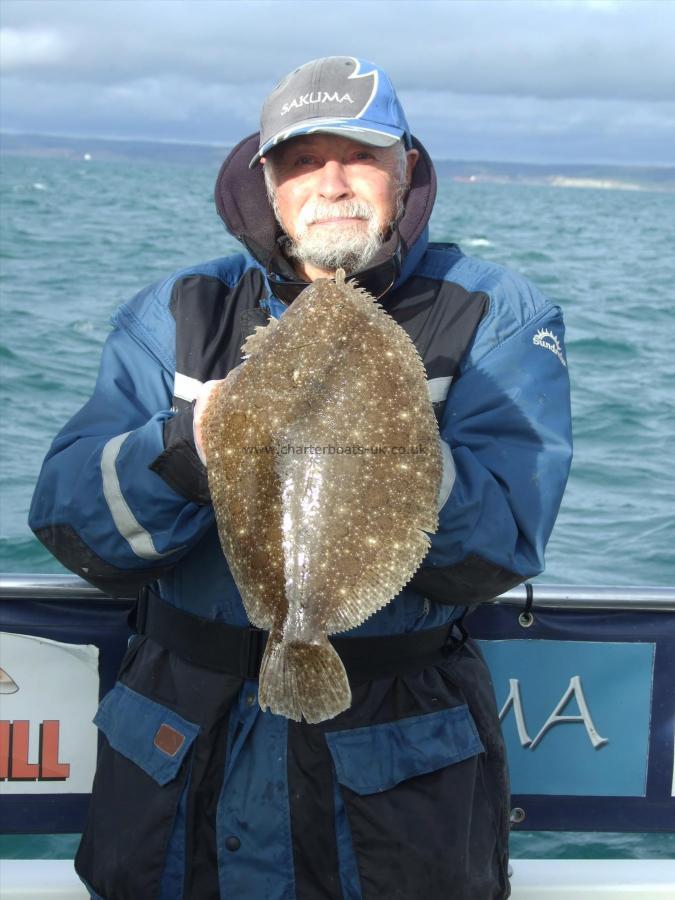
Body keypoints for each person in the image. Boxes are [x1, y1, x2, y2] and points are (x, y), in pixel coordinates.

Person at [29, 56, 572, 900]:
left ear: (406, 171)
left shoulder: (491, 314)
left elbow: (499, 547)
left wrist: (395, 461)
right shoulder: (177, 312)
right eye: (301, 160)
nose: (332, 181)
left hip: (392, 769)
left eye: (359, 155)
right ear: (266, 182)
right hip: (181, 758)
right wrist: (188, 445)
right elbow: (72, 525)